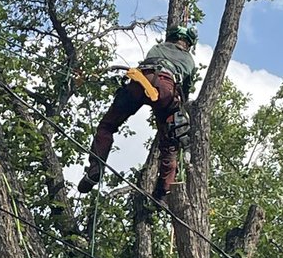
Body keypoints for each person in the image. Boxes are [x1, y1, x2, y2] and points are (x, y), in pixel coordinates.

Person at [78, 25, 197, 205]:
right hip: (166, 89)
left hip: (140, 81)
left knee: (107, 126)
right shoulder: (189, 60)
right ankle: (162, 192)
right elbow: (185, 93)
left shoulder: (157, 48)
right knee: (170, 147)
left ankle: (95, 167)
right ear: (189, 43)